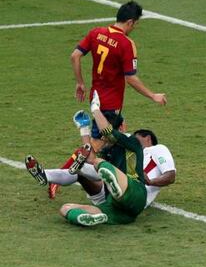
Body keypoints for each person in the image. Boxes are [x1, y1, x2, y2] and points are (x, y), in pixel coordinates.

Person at [50, 1, 168, 199]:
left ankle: (101, 176)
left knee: (117, 133)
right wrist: (153, 95)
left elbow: (75, 56)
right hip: (109, 105)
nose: (135, 27)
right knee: (94, 148)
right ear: (130, 22)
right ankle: (59, 177)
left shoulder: (96, 33)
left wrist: (80, 82)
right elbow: (130, 78)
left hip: (95, 98)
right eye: (136, 23)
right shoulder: (126, 44)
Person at [26, 112, 176, 210]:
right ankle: (45, 175)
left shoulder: (157, 149)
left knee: (90, 167)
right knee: (86, 168)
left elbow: (170, 176)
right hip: (107, 195)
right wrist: (86, 131)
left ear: (147, 138)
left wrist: (150, 181)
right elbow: (93, 159)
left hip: (134, 194)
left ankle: (79, 168)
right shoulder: (123, 150)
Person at [51, 92, 150, 227]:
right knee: (65, 208)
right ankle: (88, 217)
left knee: (99, 163)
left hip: (135, 193)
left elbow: (107, 131)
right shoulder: (107, 150)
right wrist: (84, 129)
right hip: (119, 210)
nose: (103, 138)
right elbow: (89, 158)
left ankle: (117, 190)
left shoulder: (131, 142)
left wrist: (95, 108)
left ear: (120, 128)